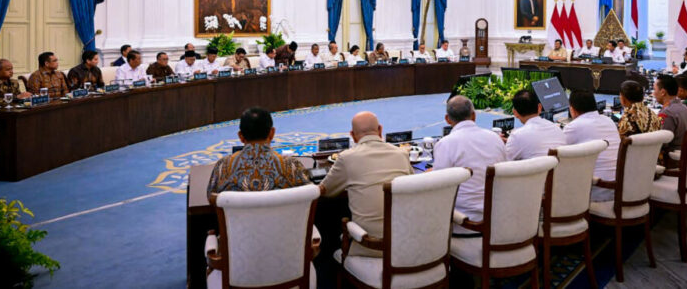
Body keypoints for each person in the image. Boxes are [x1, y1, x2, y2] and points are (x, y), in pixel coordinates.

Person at [320, 111, 412, 257]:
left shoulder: (346, 158)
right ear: (380, 130)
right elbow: (413, 185)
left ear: (353, 135)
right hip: (404, 243)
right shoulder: (402, 154)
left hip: (370, 246)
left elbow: (326, 191)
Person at [433, 96, 507, 233]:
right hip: (499, 220)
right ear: (474, 116)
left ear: (447, 119)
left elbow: (439, 188)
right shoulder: (496, 139)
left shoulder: (445, 144)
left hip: (464, 223)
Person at [207, 106, 310, 194]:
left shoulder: (223, 167)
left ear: (241, 136)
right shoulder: (291, 167)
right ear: (272, 133)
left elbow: (212, 197)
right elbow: (311, 193)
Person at [563, 90, 620, 201]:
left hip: (595, 189)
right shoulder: (609, 121)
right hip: (619, 186)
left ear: (572, 109)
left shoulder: (574, 127)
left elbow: (556, 152)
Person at [505, 89, 566, 160]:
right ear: (539, 107)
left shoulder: (516, 136)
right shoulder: (557, 130)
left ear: (515, 113)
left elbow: (504, 164)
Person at [653, 74, 687, 155]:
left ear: (663, 92)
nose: (653, 93)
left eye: (654, 90)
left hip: (671, 157)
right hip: (685, 153)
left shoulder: (667, 113)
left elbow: (662, 142)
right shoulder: (685, 107)